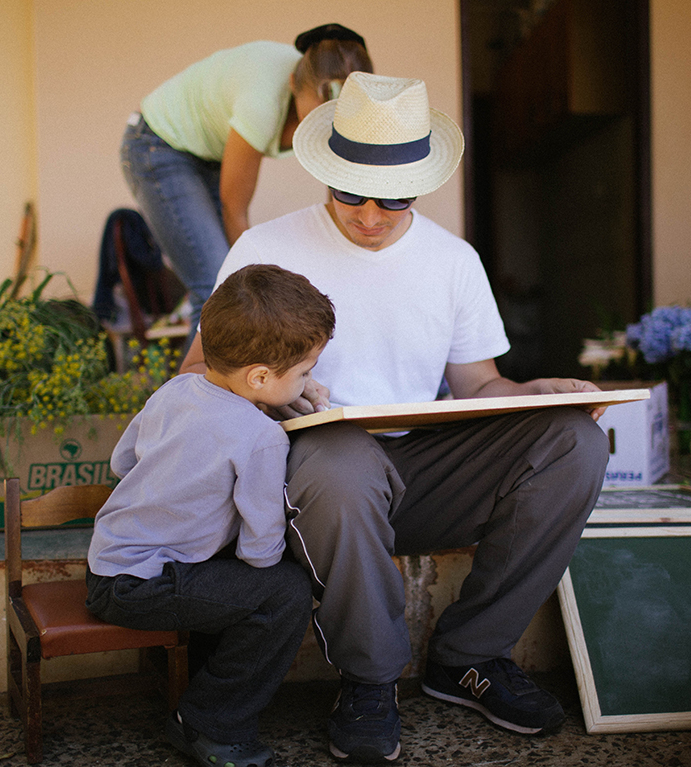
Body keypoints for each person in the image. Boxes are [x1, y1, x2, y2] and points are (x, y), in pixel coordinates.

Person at [178, 72, 611, 763]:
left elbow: (479, 385)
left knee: (575, 442)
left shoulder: (452, 260)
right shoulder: (266, 248)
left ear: (423, 183)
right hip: (311, 471)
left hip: (421, 465)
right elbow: (194, 373)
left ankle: (468, 657)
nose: (371, 214)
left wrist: (534, 391)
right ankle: (370, 678)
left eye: (395, 196)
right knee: (343, 462)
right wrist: (264, 390)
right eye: (351, 192)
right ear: (325, 173)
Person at [86, 263, 336, 767]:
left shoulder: (174, 391)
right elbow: (260, 545)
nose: (310, 380)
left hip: (108, 570)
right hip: (146, 584)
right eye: (306, 372)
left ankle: (204, 695)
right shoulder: (262, 437)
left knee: (237, 583)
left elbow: (122, 462)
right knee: (284, 592)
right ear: (261, 377)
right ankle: (209, 723)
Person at [121, 23, 372, 348]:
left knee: (230, 289)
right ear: (294, 83)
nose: (327, 126)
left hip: (208, 153)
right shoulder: (261, 103)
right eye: (319, 116)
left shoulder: (330, 92)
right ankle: (190, 399)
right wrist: (266, 292)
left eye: (335, 120)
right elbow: (234, 210)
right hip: (158, 144)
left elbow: (337, 186)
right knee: (216, 285)